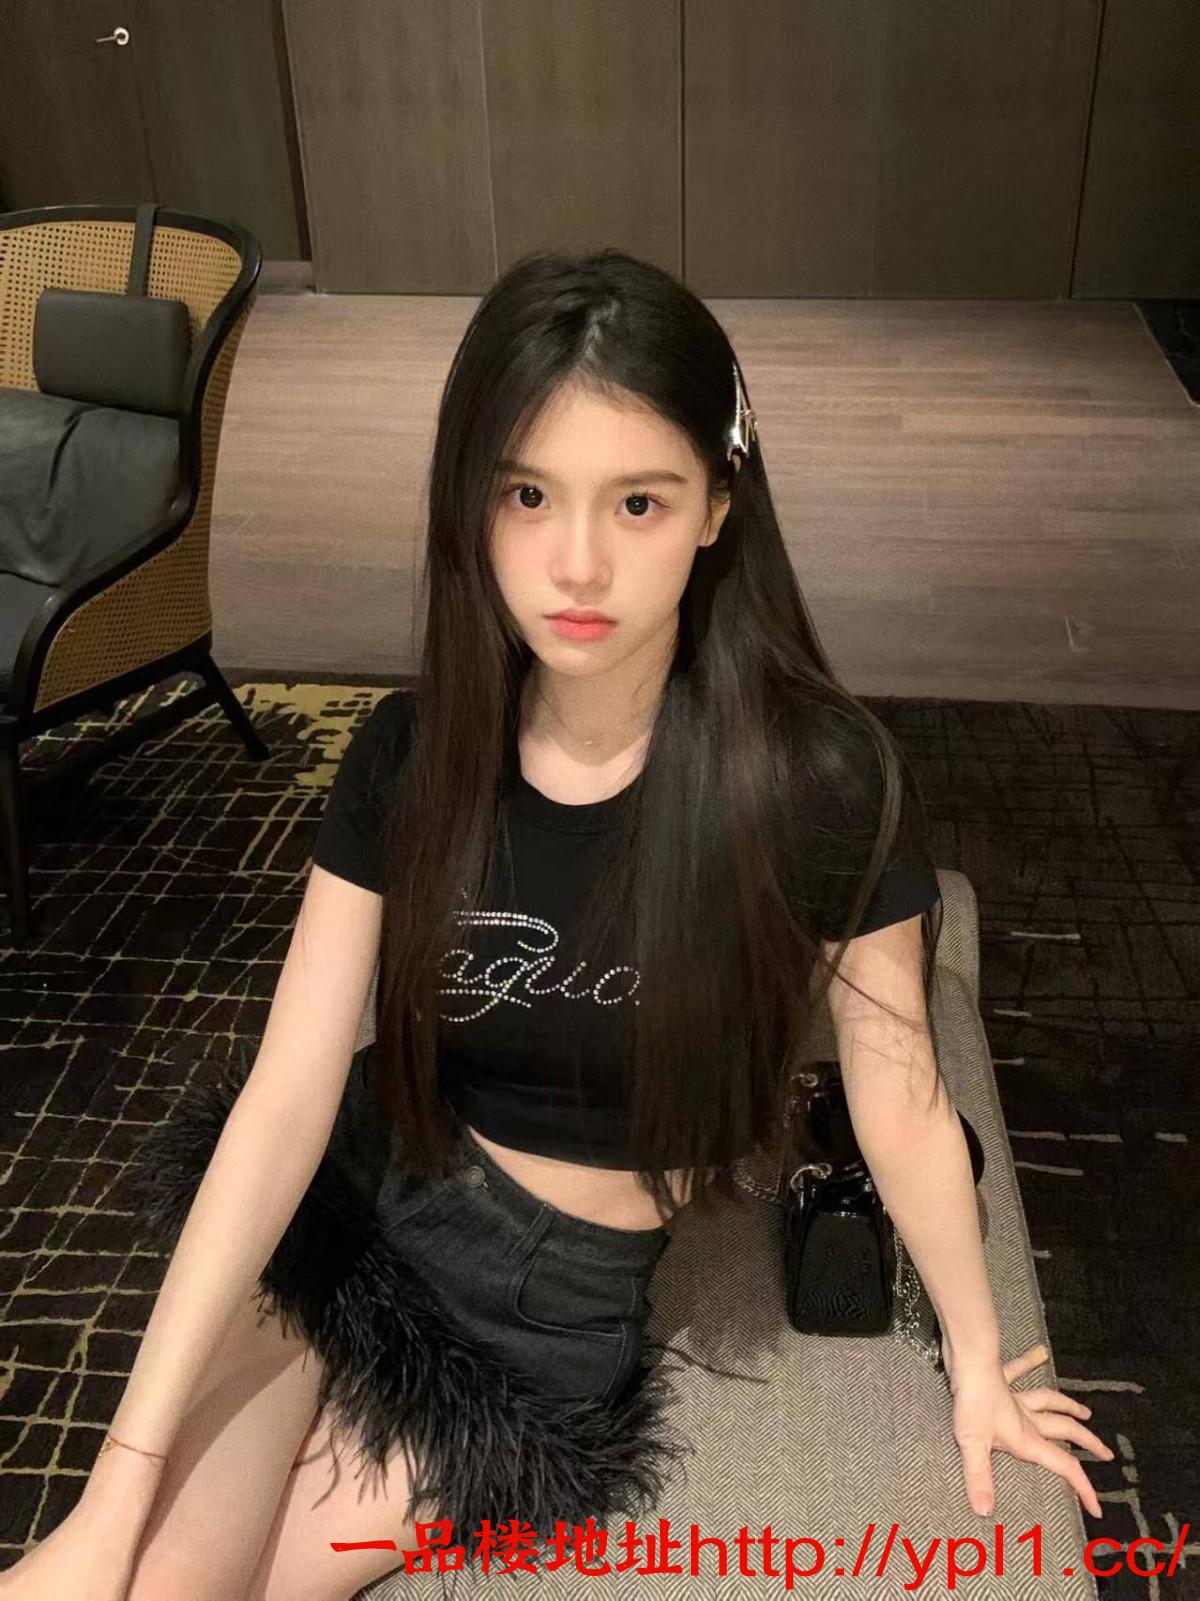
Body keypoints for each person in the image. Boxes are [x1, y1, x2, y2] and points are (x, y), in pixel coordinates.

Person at [0, 248, 1112, 1601]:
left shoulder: (817, 781)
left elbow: (904, 1099)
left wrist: (989, 1366)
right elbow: (288, 1094)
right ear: (471, 500)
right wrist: (113, 1482)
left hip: (533, 1308)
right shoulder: (411, 752)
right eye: (527, 494)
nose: (576, 563)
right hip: (355, 1190)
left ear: (717, 505)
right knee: (115, 1567)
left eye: (638, 501)